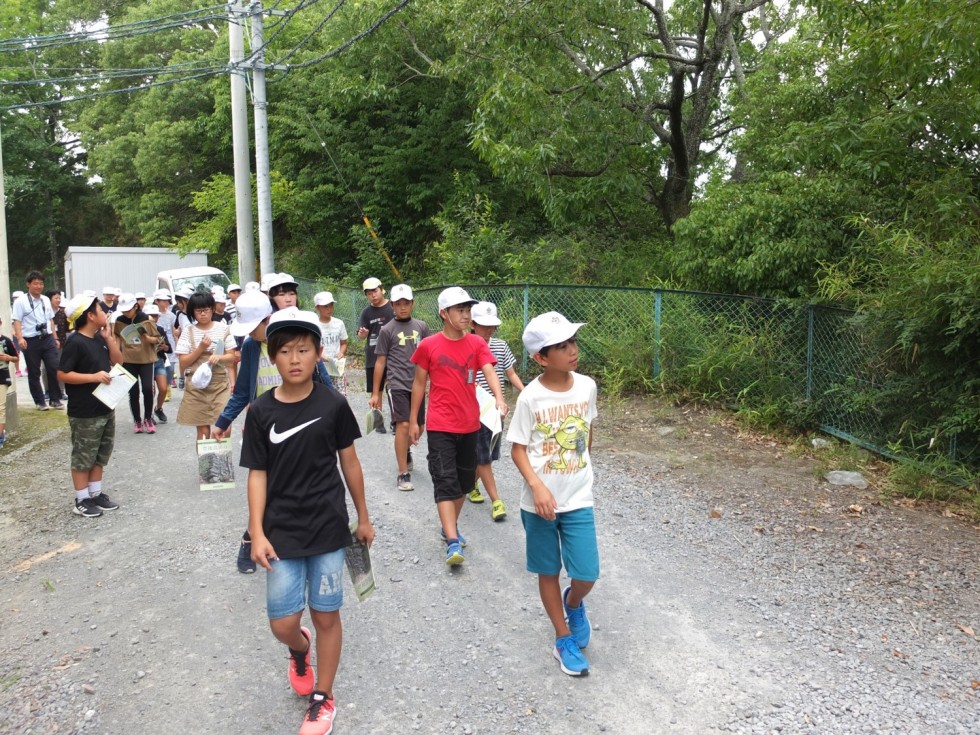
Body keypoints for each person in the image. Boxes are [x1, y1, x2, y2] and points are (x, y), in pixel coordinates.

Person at [240, 308, 374, 735]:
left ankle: (323, 696)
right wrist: (257, 531)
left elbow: (350, 463)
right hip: (281, 531)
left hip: (330, 529)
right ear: (272, 359)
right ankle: (300, 651)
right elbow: (257, 474)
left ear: (319, 354)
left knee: (327, 615)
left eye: (303, 349)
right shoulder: (260, 412)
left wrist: (363, 517)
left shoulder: (333, 404)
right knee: (282, 623)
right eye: (285, 351)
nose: (294, 358)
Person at [213, 290, 334, 574]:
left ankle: (280, 539)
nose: (249, 335)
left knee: (294, 487)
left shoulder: (298, 342)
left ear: (266, 320)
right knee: (266, 488)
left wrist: (335, 412)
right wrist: (223, 420)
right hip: (265, 428)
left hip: (303, 424)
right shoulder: (253, 348)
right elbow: (243, 390)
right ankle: (251, 539)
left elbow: (323, 379)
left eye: (252, 328)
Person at [506, 311, 598, 677]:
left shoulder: (587, 386)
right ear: (540, 358)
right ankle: (563, 638)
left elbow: (587, 434)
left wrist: (581, 469)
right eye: (561, 346)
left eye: (573, 342)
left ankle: (573, 603)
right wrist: (538, 486)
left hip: (578, 498)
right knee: (548, 570)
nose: (572, 350)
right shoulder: (530, 397)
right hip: (539, 504)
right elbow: (517, 449)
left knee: (587, 573)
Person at [409, 287, 508, 566]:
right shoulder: (428, 345)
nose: (466, 315)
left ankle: (448, 526)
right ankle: (453, 540)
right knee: (444, 480)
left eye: (467, 310)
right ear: (444, 313)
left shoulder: (477, 344)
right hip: (440, 424)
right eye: (460, 310)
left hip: (470, 425)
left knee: (464, 484)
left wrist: (500, 398)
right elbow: (418, 384)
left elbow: (489, 370)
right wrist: (415, 420)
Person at [57, 293, 125, 517]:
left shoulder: (99, 337)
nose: (105, 312)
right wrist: (93, 377)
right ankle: (82, 499)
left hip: (105, 405)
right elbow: (62, 374)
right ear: (90, 315)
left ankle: (95, 493)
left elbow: (119, 361)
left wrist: (108, 338)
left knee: (100, 453)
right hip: (84, 410)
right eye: (100, 309)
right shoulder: (75, 342)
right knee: (83, 455)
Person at [468, 301, 525, 520]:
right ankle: (497, 501)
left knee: (487, 454)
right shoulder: (466, 346)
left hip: (497, 410)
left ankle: (471, 484)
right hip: (476, 409)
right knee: (483, 455)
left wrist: (524, 391)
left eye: (493, 325)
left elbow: (510, 373)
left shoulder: (500, 346)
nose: (490, 329)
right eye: (484, 325)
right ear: (473, 324)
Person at [370, 284, 429, 491]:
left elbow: (429, 357)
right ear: (392, 305)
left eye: (406, 303)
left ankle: (404, 451)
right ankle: (403, 473)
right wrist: (375, 392)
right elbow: (380, 362)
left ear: (412, 303)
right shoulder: (387, 330)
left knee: (419, 428)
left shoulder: (421, 326)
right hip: (396, 384)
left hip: (418, 385)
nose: (403, 307)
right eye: (398, 304)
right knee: (403, 426)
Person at [175, 291, 236, 440]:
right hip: (197, 386)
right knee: (203, 432)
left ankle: (221, 462)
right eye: (198, 310)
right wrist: (201, 348)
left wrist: (219, 357)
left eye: (206, 309)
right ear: (193, 312)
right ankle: (206, 463)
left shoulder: (223, 329)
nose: (202, 314)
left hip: (219, 384)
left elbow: (232, 357)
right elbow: (183, 362)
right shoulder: (188, 332)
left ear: (212, 309)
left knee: (225, 427)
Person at [11, 270, 65, 410]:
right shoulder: (21, 301)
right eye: (35, 283)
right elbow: (16, 321)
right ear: (28, 284)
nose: (39, 286)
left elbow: (50, 320)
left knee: (54, 367)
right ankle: (39, 401)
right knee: (34, 372)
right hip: (30, 339)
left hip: (47, 338)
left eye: (41, 283)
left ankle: (55, 398)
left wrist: (55, 337)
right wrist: (20, 337)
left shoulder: (45, 300)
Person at [113, 293, 163, 434]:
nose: (126, 313)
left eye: (128, 310)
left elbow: (158, 339)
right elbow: (117, 338)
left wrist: (147, 338)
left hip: (146, 359)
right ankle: (137, 420)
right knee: (132, 391)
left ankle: (148, 417)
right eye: (123, 310)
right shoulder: (119, 321)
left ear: (136, 306)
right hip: (128, 360)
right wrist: (117, 355)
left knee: (147, 389)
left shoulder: (146, 319)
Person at [357, 277, 393, 430]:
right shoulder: (366, 312)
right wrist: (363, 333)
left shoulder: (393, 307)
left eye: (375, 291)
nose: (373, 295)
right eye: (369, 293)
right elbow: (360, 334)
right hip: (373, 355)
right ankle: (378, 422)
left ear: (382, 290)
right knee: (375, 389)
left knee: (394, 387)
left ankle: (397, 421)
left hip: (393, 354)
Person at [313, 291, 348, 397]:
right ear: (317, 308)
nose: (329, 309)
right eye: (325, 306)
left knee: (340, 396)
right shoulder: (314, 325)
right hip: (321, 367)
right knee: (324, 395)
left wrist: (341, 353)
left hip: (338, 367)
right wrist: (322, 356)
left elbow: (344, 343)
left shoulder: (339, 323)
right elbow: (313, 346)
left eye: (331, 305)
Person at [142, 304, 172, 423]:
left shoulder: (160, 329)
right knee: (150, 390)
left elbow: (169, 348)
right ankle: (148, 415)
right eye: (152, 316)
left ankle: (158, 408)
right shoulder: (140, 330)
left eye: (156, 316)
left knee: (163, 389)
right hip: (146, 363)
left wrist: (164, 347)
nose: (154, 318)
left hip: (159, 361)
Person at [152, 289, 178, 401]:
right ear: (157, 301)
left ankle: (167, 387)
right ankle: (161, 390)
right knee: (158, 368)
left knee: (171, 369)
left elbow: (173, 332)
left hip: (169, 343)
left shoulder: (172, 315)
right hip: (155, 346)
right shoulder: (149, 314)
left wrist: (177, 344)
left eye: (167, 300)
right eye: (163, 300)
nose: (166, 302)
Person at [0, 316, 18, 449]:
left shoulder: (6, 341)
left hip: (2, 376)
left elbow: (16, 357)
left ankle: (0, 436)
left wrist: (8, 357)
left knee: (1, 407)